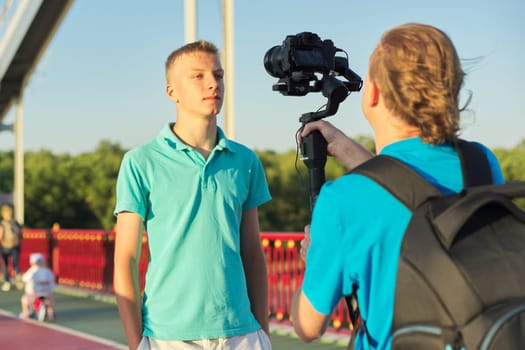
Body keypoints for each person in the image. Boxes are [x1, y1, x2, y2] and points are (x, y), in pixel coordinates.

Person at [290, 23, 504, 349]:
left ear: (373, 93)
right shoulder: (482, 164)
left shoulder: (342, 201)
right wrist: (347, 148)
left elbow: (307, 326)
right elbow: (414, 196)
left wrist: (315, 260)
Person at [113, 40, 272, 350]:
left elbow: (252, 251)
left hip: (242, 334)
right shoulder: (140, 162)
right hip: (168, 337)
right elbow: (126, 258)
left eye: (219, 74)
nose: (213, 83)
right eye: (198, 76)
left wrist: (262, 332)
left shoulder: (245, 161)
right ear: (172, 91)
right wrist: (136, 344)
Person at [19, 253, 56, 320]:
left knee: (24, 300)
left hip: (33, 293)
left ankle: (26, 312)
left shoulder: (32, 271)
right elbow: (52, 280)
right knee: (49, 301)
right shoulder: (47, 271)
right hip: (46, 293)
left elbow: (25, 278)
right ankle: (51, 313)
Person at [0, 203, 23, 292]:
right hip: (16, 245)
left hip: (6, 246)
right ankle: (18, 279)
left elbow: (1, 235)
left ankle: (7, 282)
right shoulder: (15, 222)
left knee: (5, 264)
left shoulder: (3, 223)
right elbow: (21, 233)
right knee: (15, 263)